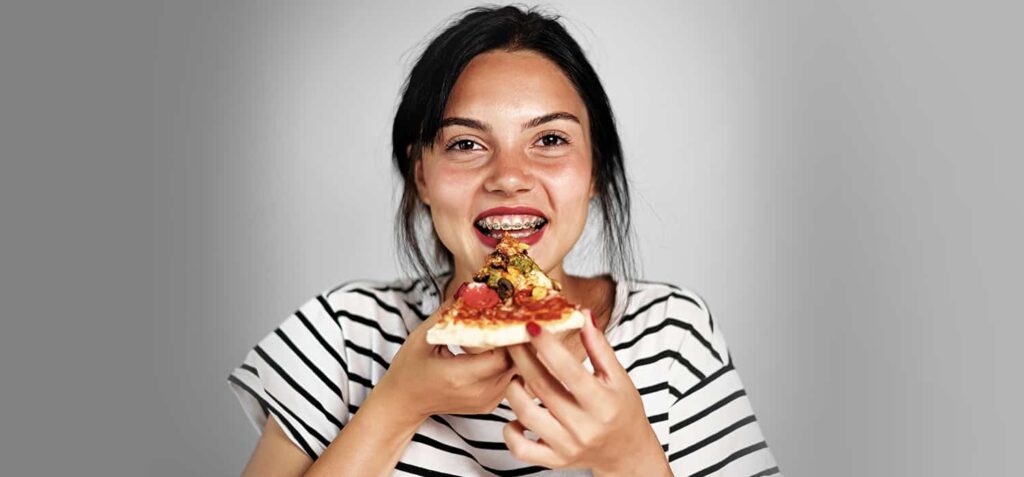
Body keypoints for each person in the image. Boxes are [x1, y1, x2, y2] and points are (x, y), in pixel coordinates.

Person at [228, 5, 780, 476]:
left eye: (550, 139)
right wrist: (399, 403)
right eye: (466, 144)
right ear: (420, 175)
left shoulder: (674, 335)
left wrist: (629, 454)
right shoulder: (344, 333)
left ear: (594, 174)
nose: (509, 176)